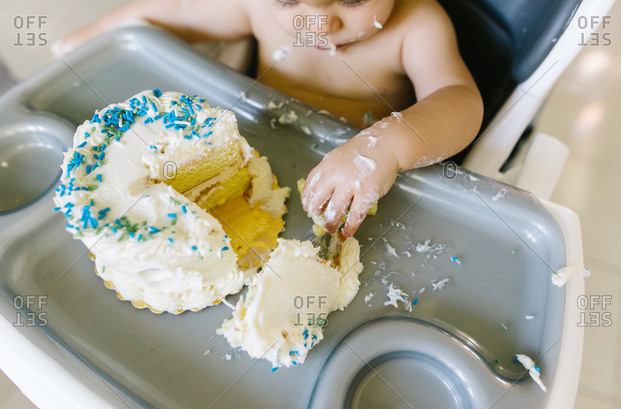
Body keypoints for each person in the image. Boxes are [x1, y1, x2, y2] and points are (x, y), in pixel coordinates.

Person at [53, 0, 483, 237]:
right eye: (290, 0)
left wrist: (385, 148)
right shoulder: (253, 5)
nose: (319, 22)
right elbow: (178, 12)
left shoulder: (417, 25)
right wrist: (96, 38)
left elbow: (461, 101)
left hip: (345, 194)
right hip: (247, 154)